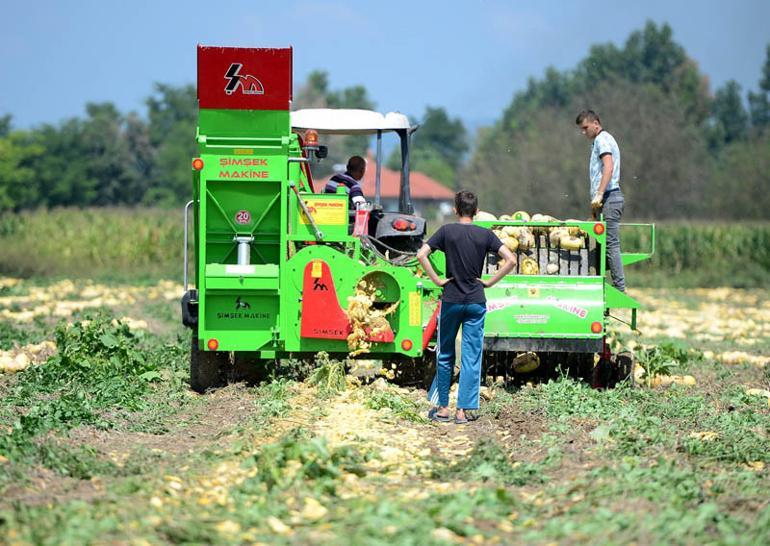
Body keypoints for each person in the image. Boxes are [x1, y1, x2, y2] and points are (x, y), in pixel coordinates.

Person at [417, 190, 516, 424]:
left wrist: (437, 280)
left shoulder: (446, 232)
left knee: (445, 354)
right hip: (475, 301)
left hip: (451, 299)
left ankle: (442, 408)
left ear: (455, 210)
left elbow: (422, 254)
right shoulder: (485, 234)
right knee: (471, 356)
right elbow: (511, 259)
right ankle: (463, 411)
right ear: (477, 212)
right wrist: (490, 281)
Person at [576, 110, 626, 292]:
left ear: (596, 123)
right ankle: (601, 287)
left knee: (611, 245)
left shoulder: (602, 139)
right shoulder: (599, 141)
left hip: (610, 197)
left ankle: (619, 289)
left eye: (585, 128)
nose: (584, 132)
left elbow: (609, 166)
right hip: (605, 198)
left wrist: (599, 193)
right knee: (602, 245)